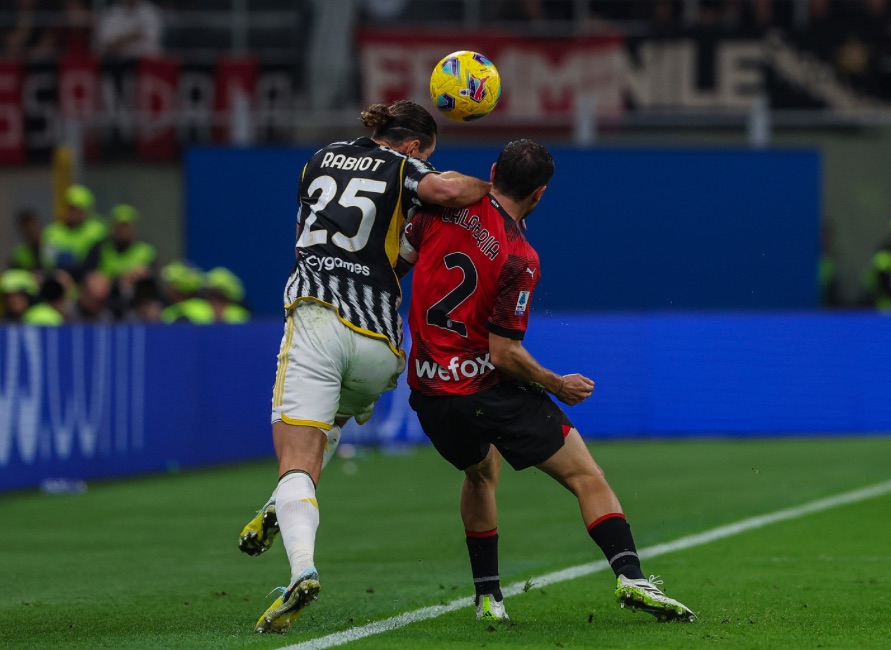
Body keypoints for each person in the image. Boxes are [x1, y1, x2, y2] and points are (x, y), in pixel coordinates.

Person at [395, 139, 696, 623]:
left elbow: (394, 267)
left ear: (493, 171)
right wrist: (559, 384)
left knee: (480, 473)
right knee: (586, 476)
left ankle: (489, 600)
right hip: (486, 389)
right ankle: (632, 577)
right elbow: (504, 353)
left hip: (430, 391)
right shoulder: (521, 257)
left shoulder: (439, 207)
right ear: (540, 193)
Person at [237, 99, 491, 634]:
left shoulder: (317, 160)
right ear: (415, 146)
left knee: (297, 460)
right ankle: (279, 506)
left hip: (317, 320)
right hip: (379, 345)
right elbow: (445, 193)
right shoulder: (405, 167)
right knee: (331, 423)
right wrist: (495, 186)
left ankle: (300, 569)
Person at [42, 184, 107, 282]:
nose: (74, 213)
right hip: (59, 279)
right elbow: (48, 262)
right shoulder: (52, 232)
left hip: (87, 280)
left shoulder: (98, 231)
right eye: (71, 208)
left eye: (79, 209)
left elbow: (100, 262)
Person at [9, 207, 43, 271]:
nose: (31, 232)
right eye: (28, 231)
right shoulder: (19, 253)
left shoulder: (51, 247)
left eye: (33, 227)